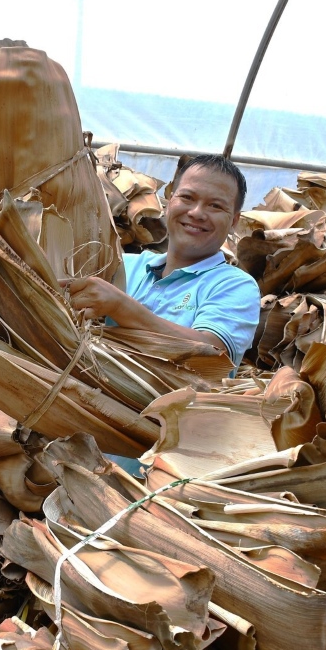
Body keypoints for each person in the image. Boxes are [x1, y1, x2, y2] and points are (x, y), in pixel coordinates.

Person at [61, 153, 261, 476]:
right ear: (169, 200)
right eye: (188, 197)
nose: (197, 213)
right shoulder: (122, 265)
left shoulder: (235, 285)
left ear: (234, 220)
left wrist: (120, 307)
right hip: (72, 456)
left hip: (154, 477)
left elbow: (212, 355)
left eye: (215, 206)